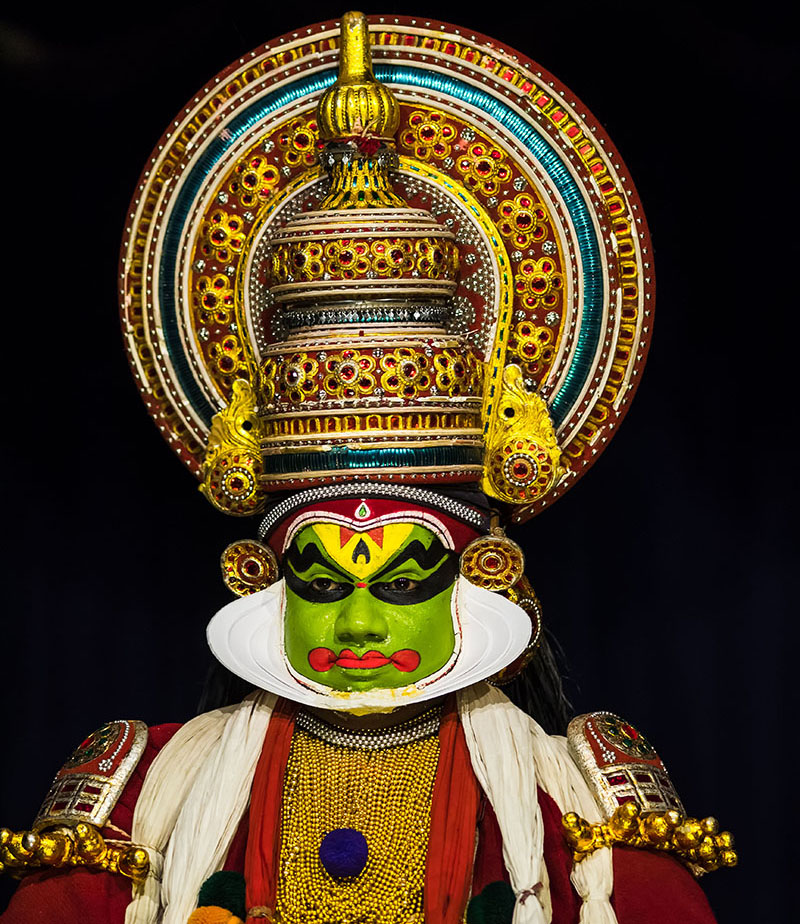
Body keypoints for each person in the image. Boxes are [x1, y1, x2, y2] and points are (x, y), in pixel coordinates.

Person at [0, 11, 734, 924]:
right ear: (258, 577)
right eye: (319, 576)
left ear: (487, 574)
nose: (354, 621)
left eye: (401, 580)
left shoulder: (579, 817)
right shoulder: (143, 800)